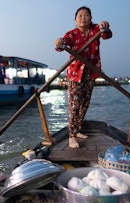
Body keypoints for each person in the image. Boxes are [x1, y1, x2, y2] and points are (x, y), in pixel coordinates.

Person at [54, 6, 112, 148]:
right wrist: (59, 43)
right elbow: (62, 44)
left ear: (91, 18)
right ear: (75, 20)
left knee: (85, 103)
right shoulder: (72, 34)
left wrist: (106, 25)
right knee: (74, 104)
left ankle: (78, 129)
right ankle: (71, 136)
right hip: (75, 73)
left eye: (86, 15)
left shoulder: (96, 29)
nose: (83, 18)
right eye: (80, 15)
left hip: (91, 71)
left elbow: (107, 34)